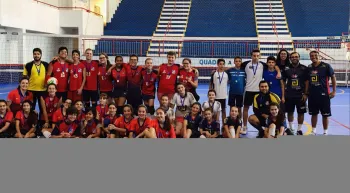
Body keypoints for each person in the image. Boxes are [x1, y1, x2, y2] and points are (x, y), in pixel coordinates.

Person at [241, 49, 281, 134]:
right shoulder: (245, 64)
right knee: (245, 109)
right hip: (248, 90)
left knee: (262, 108)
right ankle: (244, 127)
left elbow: (274, 66)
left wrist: (278, 71)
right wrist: (218, 69)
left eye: (257, 56)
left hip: (259, 91)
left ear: (259, 56)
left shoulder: (263, 65)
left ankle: (269, 126)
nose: (255, 57)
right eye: (254, 55)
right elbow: (235, 67)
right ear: (251, 56)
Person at [307, 51, 337, 135]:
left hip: (324, 94)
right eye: (311, 56)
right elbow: (307, 81)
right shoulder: (309, 67)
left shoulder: (326, 66)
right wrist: (306, 92)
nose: (313, 57)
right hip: (312, 95)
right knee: (313, 114)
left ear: (319, 56)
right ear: (310, 57)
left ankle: (325, 132)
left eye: (315, 55)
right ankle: (313, 131)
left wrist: (334, 91)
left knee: (325, 114)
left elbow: (333, 77)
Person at [283, 52, 308, 135]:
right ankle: (291, 127)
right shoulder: (286, 68)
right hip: (289, 94)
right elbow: (283, 82)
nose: (294, 58)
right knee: (290, 112)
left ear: (299, 57)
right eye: (292, 57)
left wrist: (305, 93)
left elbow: (307, 81)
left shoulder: (304, 68)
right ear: (290, 58)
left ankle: (299, 129)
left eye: (296, 56)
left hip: (300, 95)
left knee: (301, 112)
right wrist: (284, 94)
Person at [209, 58, 229, 126]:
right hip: (215, 96)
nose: (222, 65)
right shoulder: (214, 73)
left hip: (223, 96)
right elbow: (211, 83)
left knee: (223, 111)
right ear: (217, 65)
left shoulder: (226, 74)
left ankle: (224, 125)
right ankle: (213, 125)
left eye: (223, 64)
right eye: (220, 64)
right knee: (214, 111)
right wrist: (210, 93)